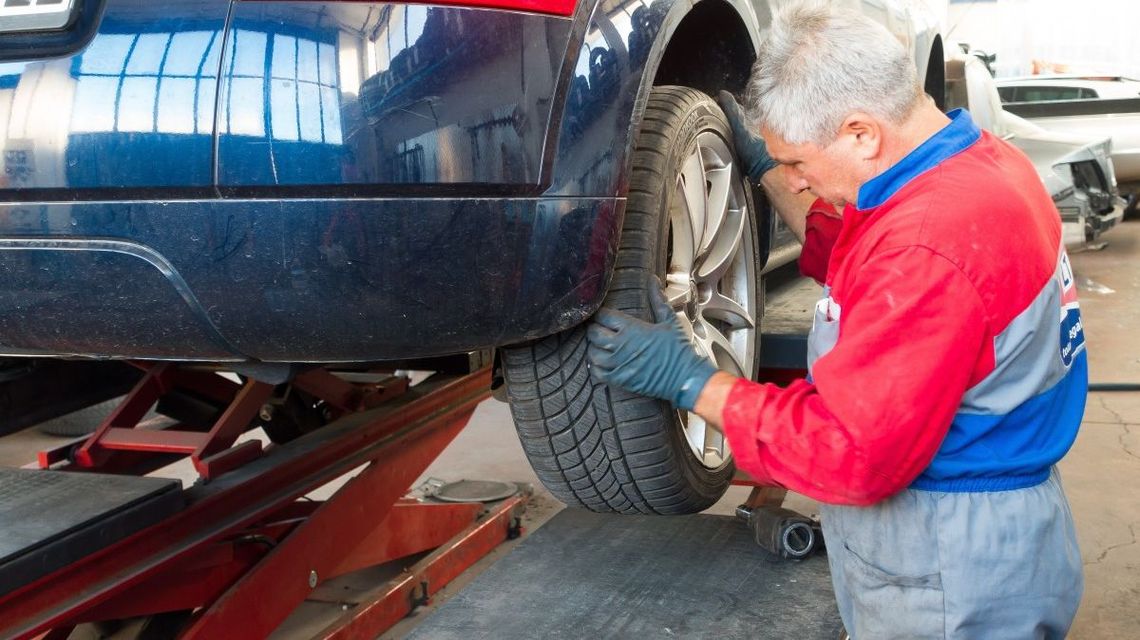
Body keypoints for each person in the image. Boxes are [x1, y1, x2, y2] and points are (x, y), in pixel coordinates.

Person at [585, 3, 1086, 638]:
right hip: (988, 527)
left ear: (860, 133)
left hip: (950, 561)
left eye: (798, 162)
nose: (800, 183)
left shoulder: (929, 246)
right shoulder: (979, 165)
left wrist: (696, 385)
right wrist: (769, 171)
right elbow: (862, 253)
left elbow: (850, 452)